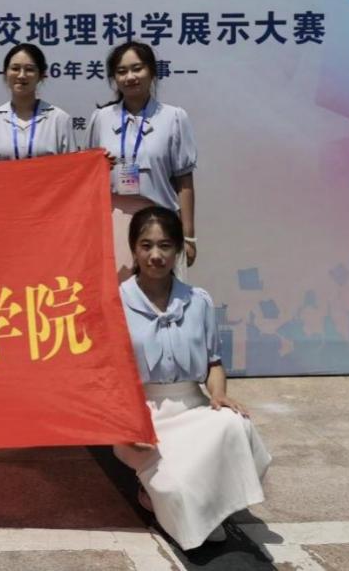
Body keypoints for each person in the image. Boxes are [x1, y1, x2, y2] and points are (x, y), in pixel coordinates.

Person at [114, 206, 270, 551]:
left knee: (235, 423)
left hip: (192, 407)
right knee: (176, 491)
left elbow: (214, 363)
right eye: (146, 245)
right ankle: (154, 492)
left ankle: (209, 504)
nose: (155, 255)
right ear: (134, 249)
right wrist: (126, 424)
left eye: (165, 245)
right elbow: (107, 377)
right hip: (142, 413)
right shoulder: (114, 302)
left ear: (178, 250)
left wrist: (219, 394)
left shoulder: (198, 301)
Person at [87, 41, 197, 280]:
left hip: (160, 221)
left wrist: (188, 236)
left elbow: (184, 181)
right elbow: (89, 177)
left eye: (137, 68)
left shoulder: (174, 117)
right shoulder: (101, 118)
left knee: (160, 293)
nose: (130, 77)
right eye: (122, 71)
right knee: (116, 294)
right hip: (112, 221)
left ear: (152, 71)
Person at [0, 44, 74, 162]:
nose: (22, 75)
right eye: (15, 68)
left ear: (41, 75)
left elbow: (73, 168)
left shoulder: (59, 119)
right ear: (5, 73)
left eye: (29, 69)